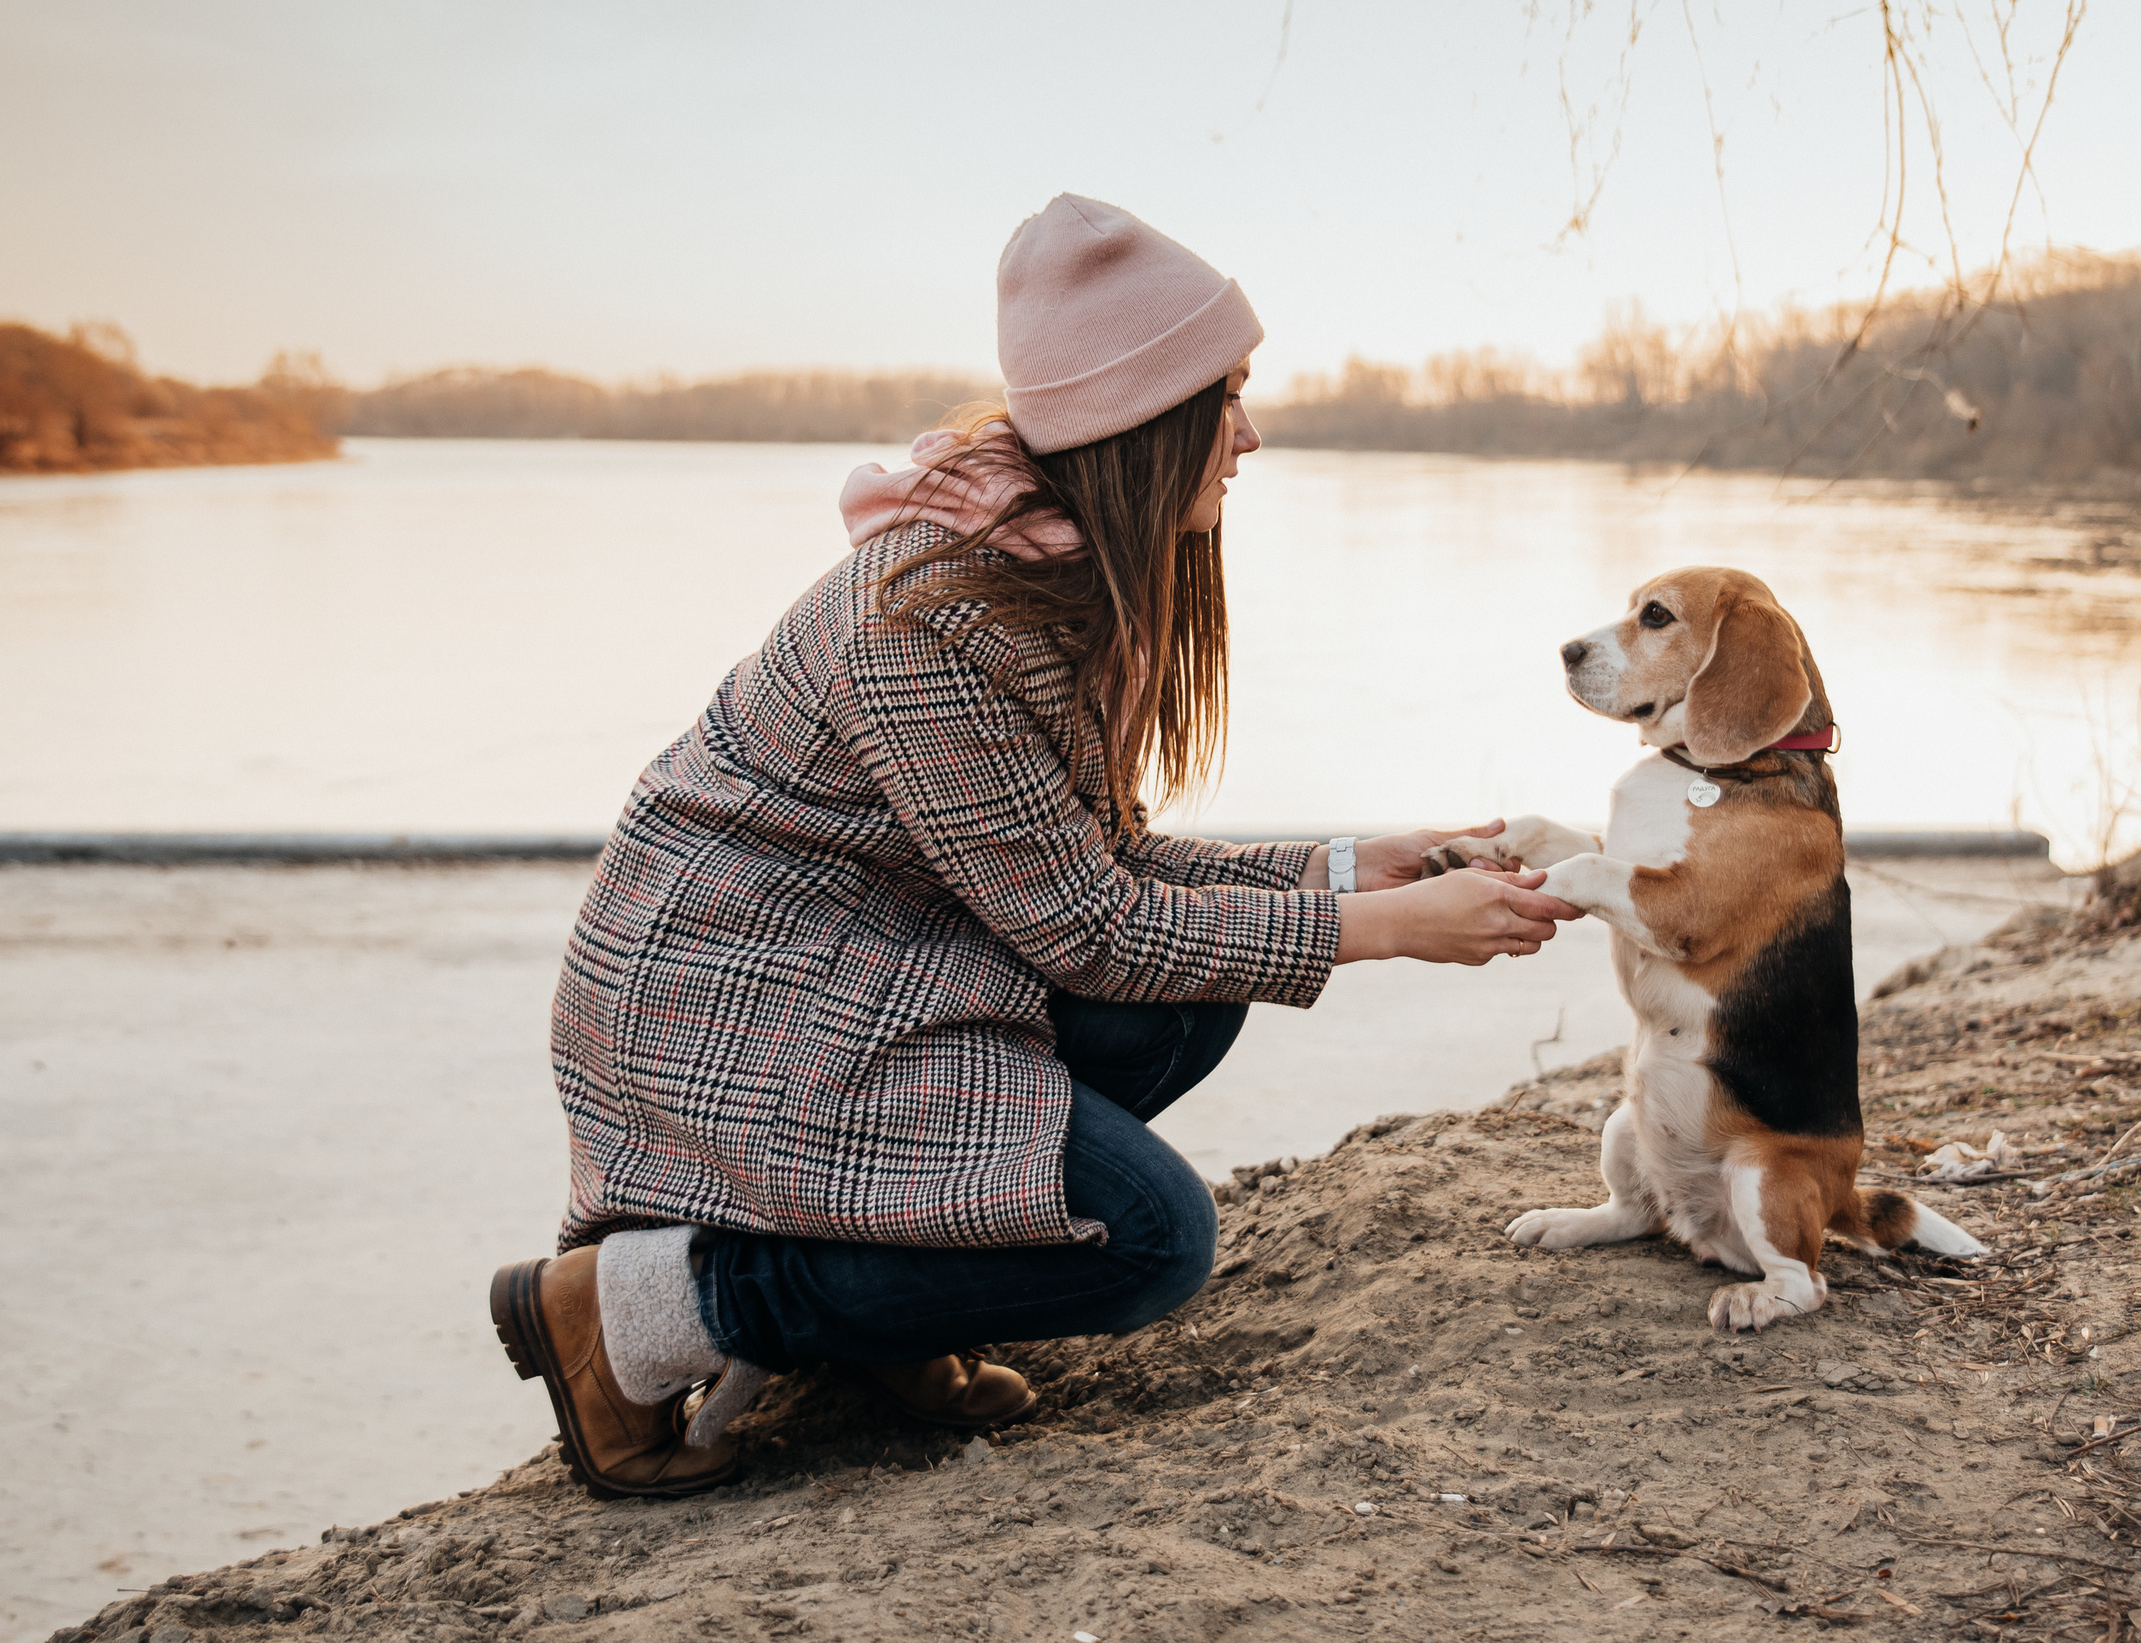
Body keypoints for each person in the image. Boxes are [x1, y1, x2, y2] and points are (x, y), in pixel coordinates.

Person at [489, 194, 1579, 1499]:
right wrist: (1380, 931)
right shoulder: (934, 616)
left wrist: (1349, 868)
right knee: (1149, 1238)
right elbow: (1092, 932)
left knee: (1188, 1004)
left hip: (866, 970)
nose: (1250, 432)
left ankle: (894, 1318)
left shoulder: (1047, 567)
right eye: (1225, 396)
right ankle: (634, 1311)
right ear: (1141, 420)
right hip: (735, 1010)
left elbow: (1097, 867)